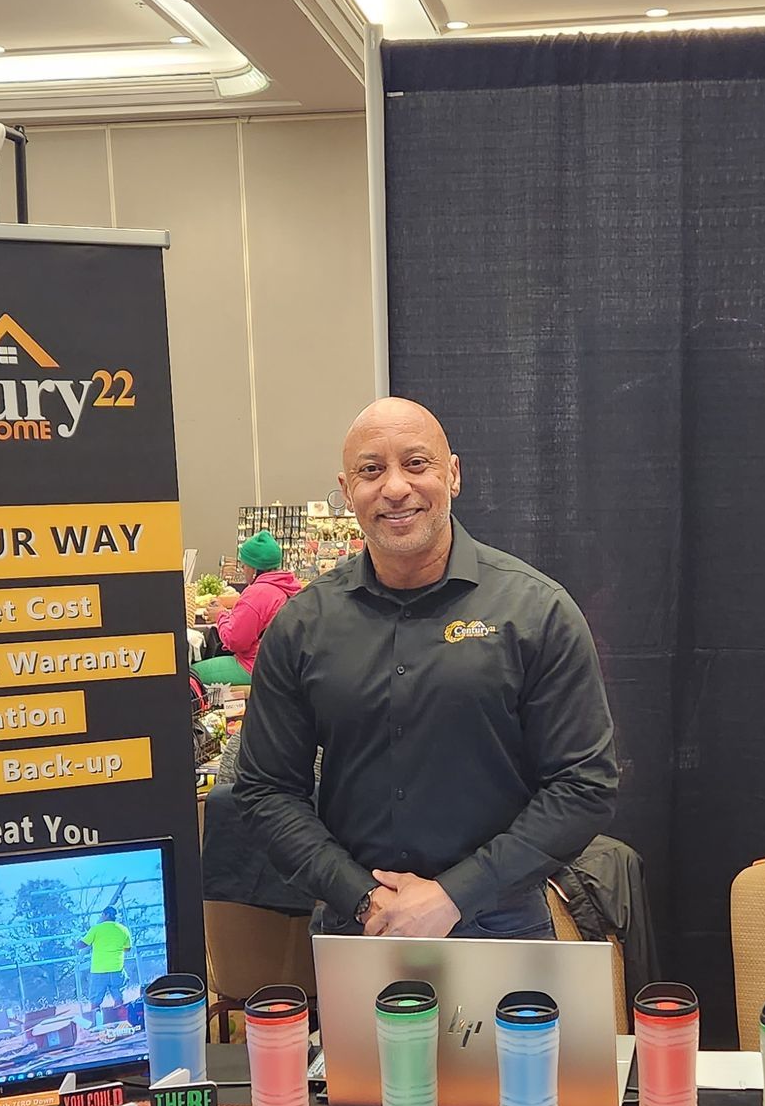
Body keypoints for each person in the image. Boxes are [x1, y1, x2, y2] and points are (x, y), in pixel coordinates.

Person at [233, 397, 618, 939]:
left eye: (416, 464)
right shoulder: (302, 625)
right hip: (361, 928)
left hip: (502, 922)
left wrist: (455, 895)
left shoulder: (536, 612)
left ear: (453, 474)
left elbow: (584, 784)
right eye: (371, 470)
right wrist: (362, 899)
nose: (394, 487)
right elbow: (265, 789)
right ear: (347, 492)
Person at [192, 532, 302, 690]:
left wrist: (220, 616)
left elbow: (235, 640)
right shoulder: (288, 587)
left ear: (254, 568)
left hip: (254, 666)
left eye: (244, 565)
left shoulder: (258, 593)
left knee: (190, 674)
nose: (243, 570)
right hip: (282, 667)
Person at [81, 903, 133, 1023]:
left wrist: (75, 944)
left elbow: (83, 944)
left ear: (106, 915)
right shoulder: (123, 930)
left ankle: (96, 1024)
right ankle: (121, 1022)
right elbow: (128, 948)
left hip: (99, 971)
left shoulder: (96, 929)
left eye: (102, 914)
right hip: (116, 969)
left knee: (95, 1001)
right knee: (118, 997)